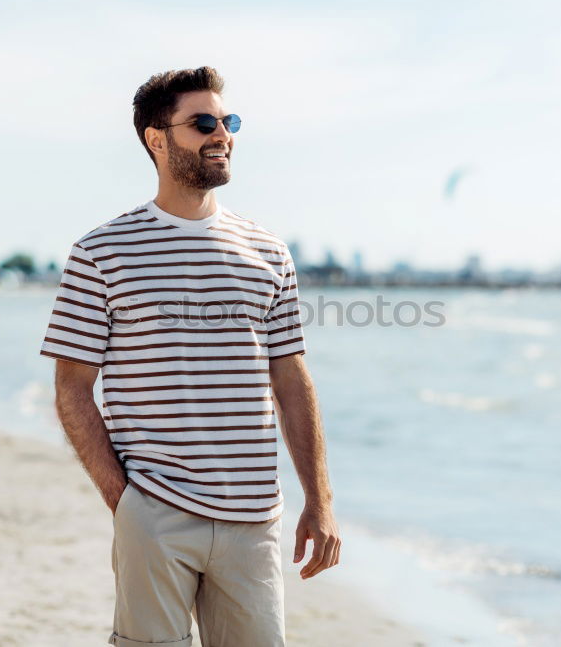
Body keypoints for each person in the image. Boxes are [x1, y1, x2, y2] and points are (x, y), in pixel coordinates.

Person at [38, 66, 340, 647]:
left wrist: (319, 501)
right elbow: (72, 387)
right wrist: (125, 501)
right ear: (157, 139)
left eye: (229, 121)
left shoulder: (269, 252)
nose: (222, 134)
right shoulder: (101, 252)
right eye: (203, 122)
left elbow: (292, 380)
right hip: (154, 511)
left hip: (254, 518)